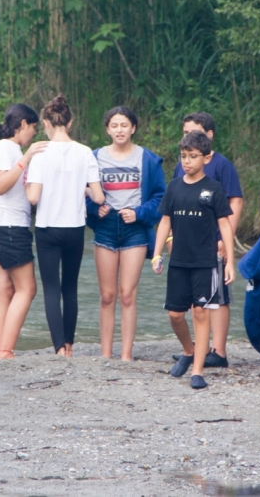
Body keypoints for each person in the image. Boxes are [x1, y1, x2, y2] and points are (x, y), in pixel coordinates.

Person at [152, 131, 235, 390]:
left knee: (201, 312)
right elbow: (165, 221)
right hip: (178, 260)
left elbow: (225, 225)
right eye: (183, 156)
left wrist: (230, 262)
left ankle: (197, 371)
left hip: (205, 261)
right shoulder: (174, 187)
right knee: (176, 315)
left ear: (207, 158)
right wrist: (157, 254)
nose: (187, 161)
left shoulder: (214, 189)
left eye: (193, 156)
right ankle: (188, 351)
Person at [26, 95, 104, 357]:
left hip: (48, 228)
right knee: (70, 287)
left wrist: (28, 187)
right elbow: (99, 197)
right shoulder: (85, 152)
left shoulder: (40, 153)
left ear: (46, 122)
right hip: (74, 228)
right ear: (70, 122)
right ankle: (70, 345)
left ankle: (59, 348)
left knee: (51, 289)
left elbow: (33, 197)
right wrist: (79, 189)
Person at [86, 106, 166, 361]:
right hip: (106, 228)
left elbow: (160, 197)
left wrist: (140, 213)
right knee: (107, 295)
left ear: (133, 128)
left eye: (124, 125)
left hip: (135, 230)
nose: (119, 130)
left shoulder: (148, 159)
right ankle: (106, 354)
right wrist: (93, 209)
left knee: (128, 294)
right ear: (107, 129)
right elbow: (81, 191)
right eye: (114, 125)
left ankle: (126, 355)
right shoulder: (95, 157)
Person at [171, 111, 243, 368]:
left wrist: (226, 237)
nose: (189, 137)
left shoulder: (222, 165)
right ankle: (196, 348)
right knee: (194, 298)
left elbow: (235, 199)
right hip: (187, 241)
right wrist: (170, 236)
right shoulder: (182, 164)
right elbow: (174, 202)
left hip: (214, 238)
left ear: (209, 136)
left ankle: (219, 351)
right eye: (185, 132)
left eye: (196, 132)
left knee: (219, 293)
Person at [0, 104, 48, 360]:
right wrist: (27, 157)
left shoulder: (11, 149)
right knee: (27, 288)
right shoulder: (5, 148)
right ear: (22, 125)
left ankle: (2, 347)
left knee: (6, 288)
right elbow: (0, 185)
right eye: (32, 127)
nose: (33, 133)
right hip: (7, 228)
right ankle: (6, 351)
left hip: (2, 226)